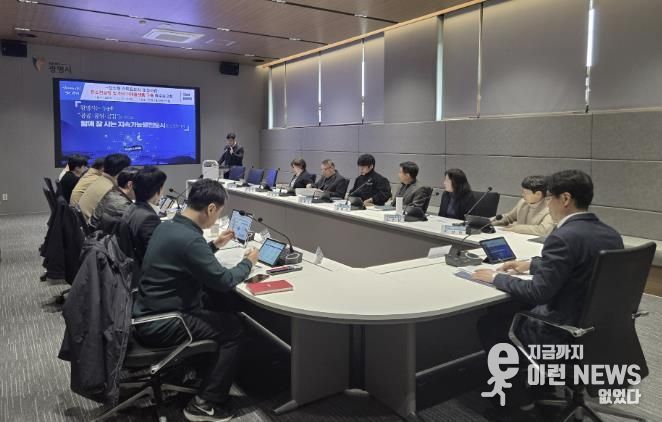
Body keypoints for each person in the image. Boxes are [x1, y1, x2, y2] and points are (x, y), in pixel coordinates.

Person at [472, 170, 623, 419]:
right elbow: (580, 264)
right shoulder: (610, 234)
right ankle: (544, 386)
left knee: (491, 323)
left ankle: (519, 404)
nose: (548, 203)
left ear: (565, 199)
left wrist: (496, 278)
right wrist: (531, 264)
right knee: (509, 311)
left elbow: (538, 292)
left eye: (550, 197)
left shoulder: (562, 236)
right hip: (600, 326)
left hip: (564, 329)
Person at [133, 179, 259, 421]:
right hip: (163, 322)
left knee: (217, 305)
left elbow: (185, 259)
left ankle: (202, 373)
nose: (216, 217)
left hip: (146, 312)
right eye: (218, 212)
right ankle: (204, 403)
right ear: (211, 208)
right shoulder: (190, 239)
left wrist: (214, 245)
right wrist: (248, 262)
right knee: (234, 328)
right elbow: (224, 280)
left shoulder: (168, 226)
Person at [118, 166, 167, 286]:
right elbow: (159, 258)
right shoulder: (148, 219)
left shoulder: (132, 208)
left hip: (128, 272)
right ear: (158, 191)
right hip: (146, 280)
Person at [78, 154, 131, 221]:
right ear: (122, 171)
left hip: (83, 222)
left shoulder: (99, 180)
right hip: (91, 225)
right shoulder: (111, 190)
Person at [89, 166, 139, 233]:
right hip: (98, 235)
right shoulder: (122, 204)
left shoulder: (113, 192)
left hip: (95, 233)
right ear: (130, 185)